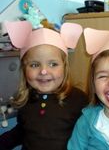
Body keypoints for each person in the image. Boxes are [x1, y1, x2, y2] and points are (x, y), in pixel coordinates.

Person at [0, 21, 89, 150]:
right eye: (34, 65)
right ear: (24, 69)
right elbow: (21, 132)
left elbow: (89, 136)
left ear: (65, 67)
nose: (43, 71)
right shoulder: (25, 99)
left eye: (53, 64)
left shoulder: (78, 99)